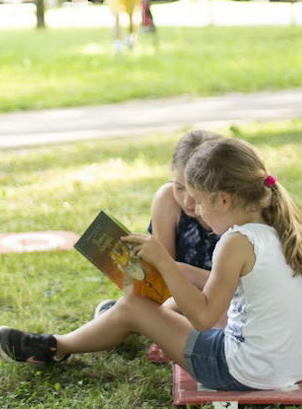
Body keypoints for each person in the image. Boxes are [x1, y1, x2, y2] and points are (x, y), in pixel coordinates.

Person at [0, 136, 302, 392]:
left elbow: (203, 317)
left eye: (197, 200)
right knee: (149, 304)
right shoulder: (280, 225)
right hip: (292, 362)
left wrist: (165, 262)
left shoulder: (235, 242)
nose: (193, 208)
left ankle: (57, 348)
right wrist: (173, 270)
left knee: (132, 308)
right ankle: (102, 328)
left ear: (222, 199)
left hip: (246, 371)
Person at [93, 128, 220, 322]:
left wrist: (182, 271)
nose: (187, 201)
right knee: (142, 307)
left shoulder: (230, 213)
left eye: (196, 191)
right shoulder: (168, 199)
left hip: (220, 305)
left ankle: (132, 320)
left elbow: (240, 289)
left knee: (143, 313)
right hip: (177, 299)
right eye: (179, 187)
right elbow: (162, 279)